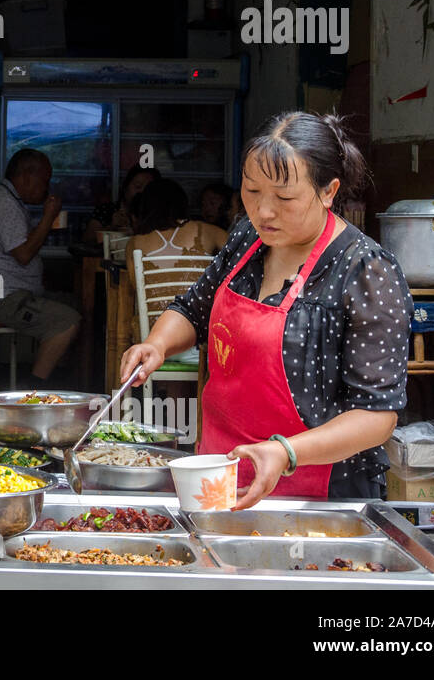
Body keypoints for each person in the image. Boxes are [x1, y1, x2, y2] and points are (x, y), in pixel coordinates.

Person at [121, 112, 410, 508]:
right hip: (219, 474)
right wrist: (157, 344)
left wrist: (285, 453)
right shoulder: (248, 239)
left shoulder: (365, 271)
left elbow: (377, 415)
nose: (264, 211)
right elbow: (192, 309)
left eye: (285, 198)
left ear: (328, 192)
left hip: (318, 497)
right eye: (252, 191)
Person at [0, 148, 82, 387]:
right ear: (25, 176)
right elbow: (23, 254)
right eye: (44, 180)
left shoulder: (8, 200)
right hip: (3, 298)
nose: (47, 187)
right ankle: (35, 388)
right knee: (68, 320)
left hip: (13, 293)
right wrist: (48, 217)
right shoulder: (3, 203)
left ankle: (64, 379)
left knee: (76, 304)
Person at [125, 178, 228, 275]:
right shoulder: (207, 231)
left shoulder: (134, 243)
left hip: (155, 294)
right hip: (200, 294)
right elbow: (240, 258)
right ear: (183, 202)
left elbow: (136, 286)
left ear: (145, 207)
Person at [86, 164, 160, 242]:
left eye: (147, 189)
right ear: (125, 186)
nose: (141, 192)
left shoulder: (155, 214)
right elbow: (87, 240)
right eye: (137, 186)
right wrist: (111, 227)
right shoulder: (106, 210)